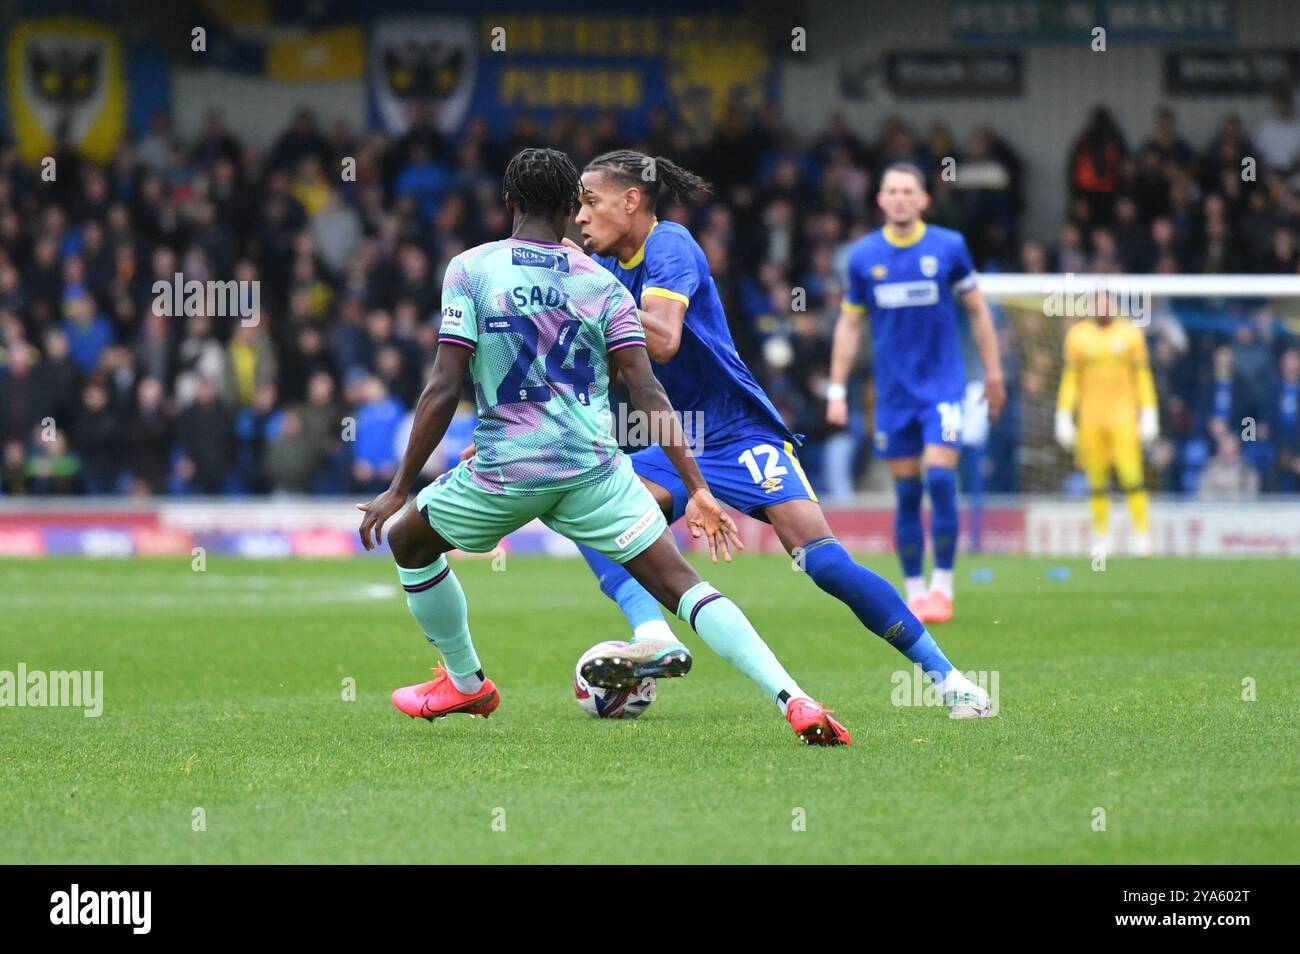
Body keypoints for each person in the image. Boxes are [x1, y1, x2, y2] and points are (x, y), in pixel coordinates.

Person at [357, 148, 850, 746]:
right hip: (594, 470)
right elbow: (649, 393)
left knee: (411, 541)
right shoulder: (604, 285)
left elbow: (443, 385)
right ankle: (793, 698)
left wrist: (400, 487)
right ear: (570, 207)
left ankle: (466, 682)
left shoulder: (471, 268)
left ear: (509, 203)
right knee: (684, 585)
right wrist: (697, 488)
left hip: (507, 470)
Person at [563, 149, 991, 718]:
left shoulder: (670, 245)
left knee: (824, 563)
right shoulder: (611, 273)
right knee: (597, 520)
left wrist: (588, 282)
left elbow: (662, 339)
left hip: (740, 432)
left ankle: (949, 680)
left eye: (591, 202)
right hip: (676, 437)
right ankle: (655, 635)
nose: (580, 218)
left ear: (632, 200)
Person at [828, 163, 1007, 624]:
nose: (901, 198)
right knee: (907, 492)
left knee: (942, 479)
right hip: (892, 395)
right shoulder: (864, 256)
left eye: (909, 190)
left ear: (924, 199)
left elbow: (978, 310)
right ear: (880, 200)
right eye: (892, 190)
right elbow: (849, 323)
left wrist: (993, 373)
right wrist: (836, 389)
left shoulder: (949, 247)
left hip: (943, 387)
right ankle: (914, 591)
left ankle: (943, 585)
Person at [1054, 294, 1159, 554]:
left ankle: (1142, 534)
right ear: (1091, 307)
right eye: (1098, 303)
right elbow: (1071, 379)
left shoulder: (1130, 335)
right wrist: (1064, 414)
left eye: (1107, 303)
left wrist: (1149, 411)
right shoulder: (1078, 336)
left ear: (1114, 306)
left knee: (1131, 476)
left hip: (1123, 417)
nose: (1103, 308)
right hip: (1091, 418)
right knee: (1096, 481)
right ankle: (1102, 537)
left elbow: (1142, 376)